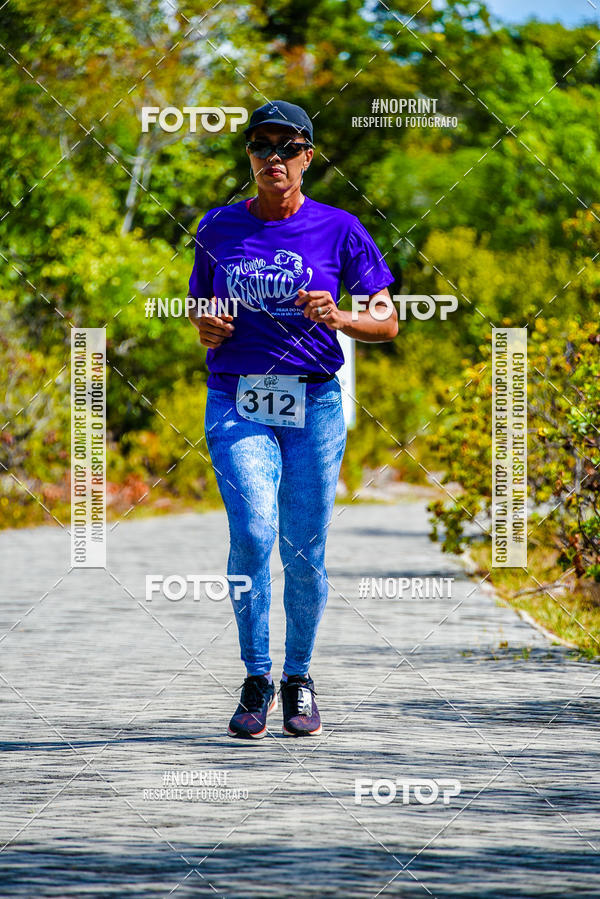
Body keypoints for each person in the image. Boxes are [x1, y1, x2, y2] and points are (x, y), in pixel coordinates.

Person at [188, 100, 397, 739]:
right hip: (238, 396)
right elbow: (200, 306)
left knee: (304, 548)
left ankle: (298, 677)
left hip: (314, 402)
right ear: (250, 156)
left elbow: (386, 320)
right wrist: (204, 324)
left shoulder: (340, 229)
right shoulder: (218, 227)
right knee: (254, 531)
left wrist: (340, 317)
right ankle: (256, 675)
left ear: (308, 157)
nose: (272, 157)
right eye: (261, 146)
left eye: (287, 147)